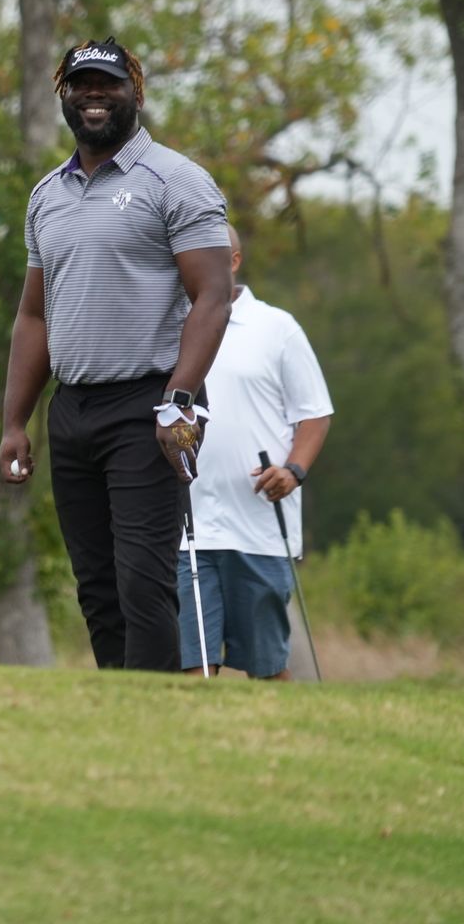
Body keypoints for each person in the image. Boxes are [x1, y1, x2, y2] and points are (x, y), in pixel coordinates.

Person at [0, 38, 233, 671]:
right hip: (72, 409)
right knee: (97, 586)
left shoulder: (176, 180)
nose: (93, 95)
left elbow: (213, 297)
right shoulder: (47, 195)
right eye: (80, 86)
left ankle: (158, 722)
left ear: (135, 91)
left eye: (107, 84)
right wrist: (16, 422)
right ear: (64, 96)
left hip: (150, 406)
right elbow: (34, 315)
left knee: (141, 581)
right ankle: (118, 715)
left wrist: (179, 400)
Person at [179, 225, 333, 679]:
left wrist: (294, 470)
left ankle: (282, 744)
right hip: (188, 529)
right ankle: (202, 750)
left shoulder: (276, 328)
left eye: (212, 257)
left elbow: (314, 414)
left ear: (234, 261)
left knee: (267, 667)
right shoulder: (171, 325)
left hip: (258, 526)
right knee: (194, 665)